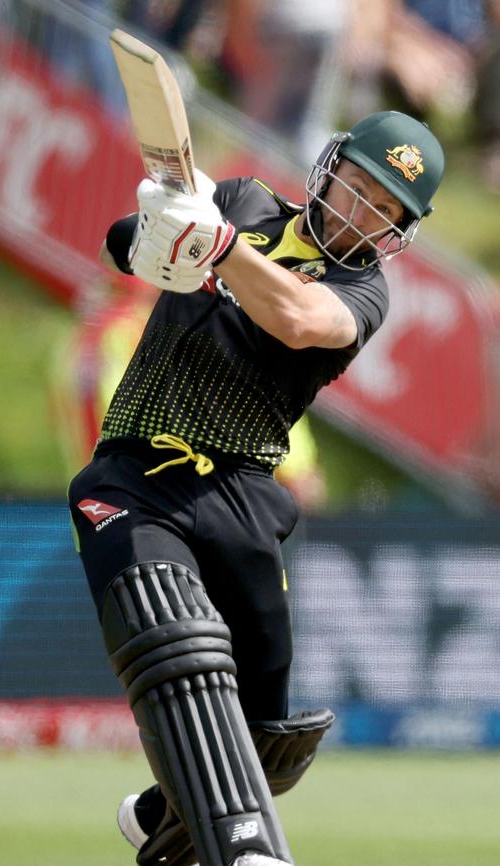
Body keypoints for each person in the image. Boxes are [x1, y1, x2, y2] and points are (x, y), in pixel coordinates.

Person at [68, 110, 444, 866]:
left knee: (266, 742)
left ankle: (156, 820)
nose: (359, 211)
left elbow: (299, 318)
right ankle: (245, 849)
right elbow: (124, 249)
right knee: (170, 634)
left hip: (243, 497)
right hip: (136, 474)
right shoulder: (243, 201)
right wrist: (166, 221)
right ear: (330, 169)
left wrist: (218, 246)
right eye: (358, 186)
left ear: (397, 232)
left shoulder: (362, 292)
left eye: (383, 209)